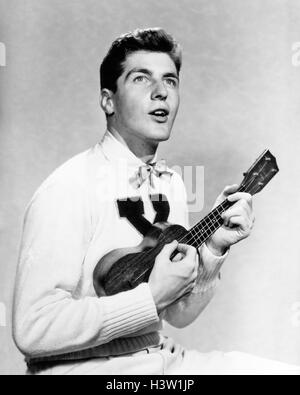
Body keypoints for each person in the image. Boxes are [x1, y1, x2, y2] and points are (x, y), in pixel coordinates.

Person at [12, 28, 299, 375]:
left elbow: (179, 315)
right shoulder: (68, 187)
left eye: (170, 81)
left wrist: (214, 250)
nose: (161, 92)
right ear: (108, 100)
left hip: (158, 359)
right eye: (141, 79)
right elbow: (33, 327)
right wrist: (148, 300)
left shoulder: (172, 185)